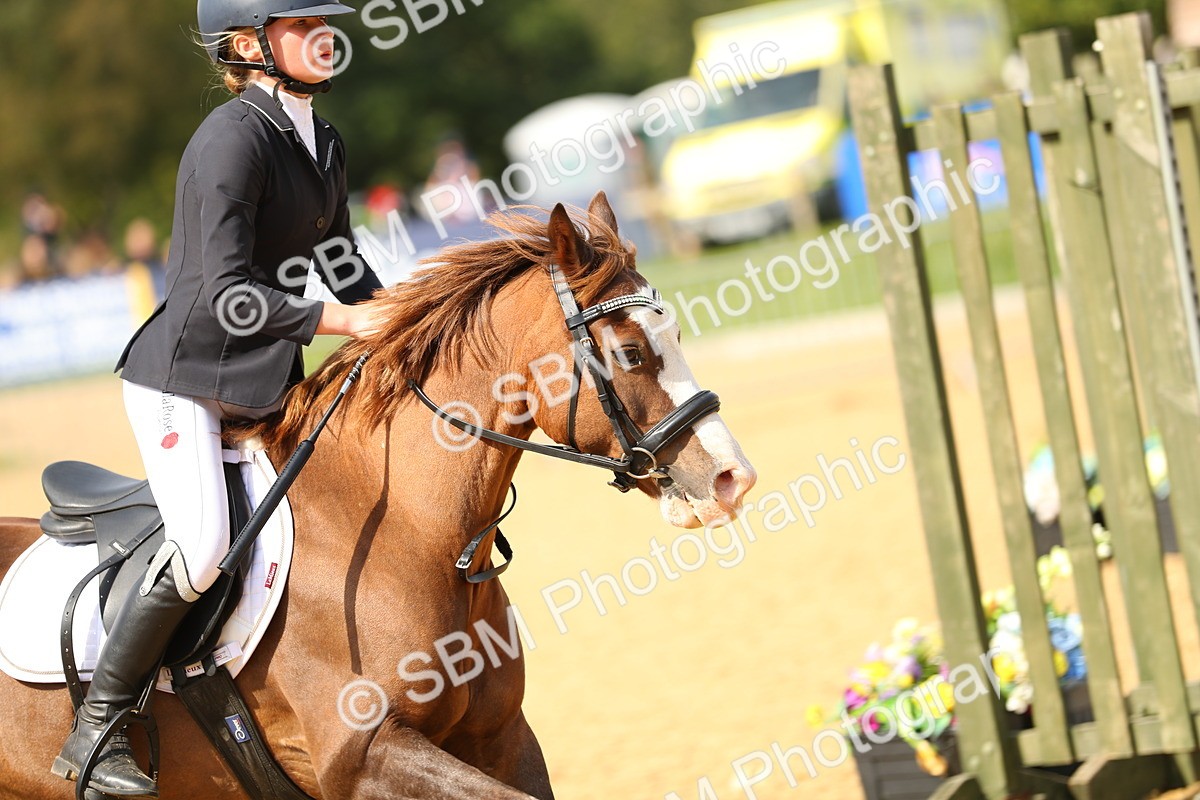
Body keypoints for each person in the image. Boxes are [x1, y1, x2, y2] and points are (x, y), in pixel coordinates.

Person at [50, 2, 383, 797]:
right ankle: (97, 727)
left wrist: (405, 318)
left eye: (326, 22)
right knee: (204, 549)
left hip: (266, 382)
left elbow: (343, 260)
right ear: (247, 44)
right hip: (186, 380)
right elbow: (221, 296)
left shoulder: (321, 140)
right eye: (303, 24)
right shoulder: (232, 138)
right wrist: (340, 319)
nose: (324, 34)